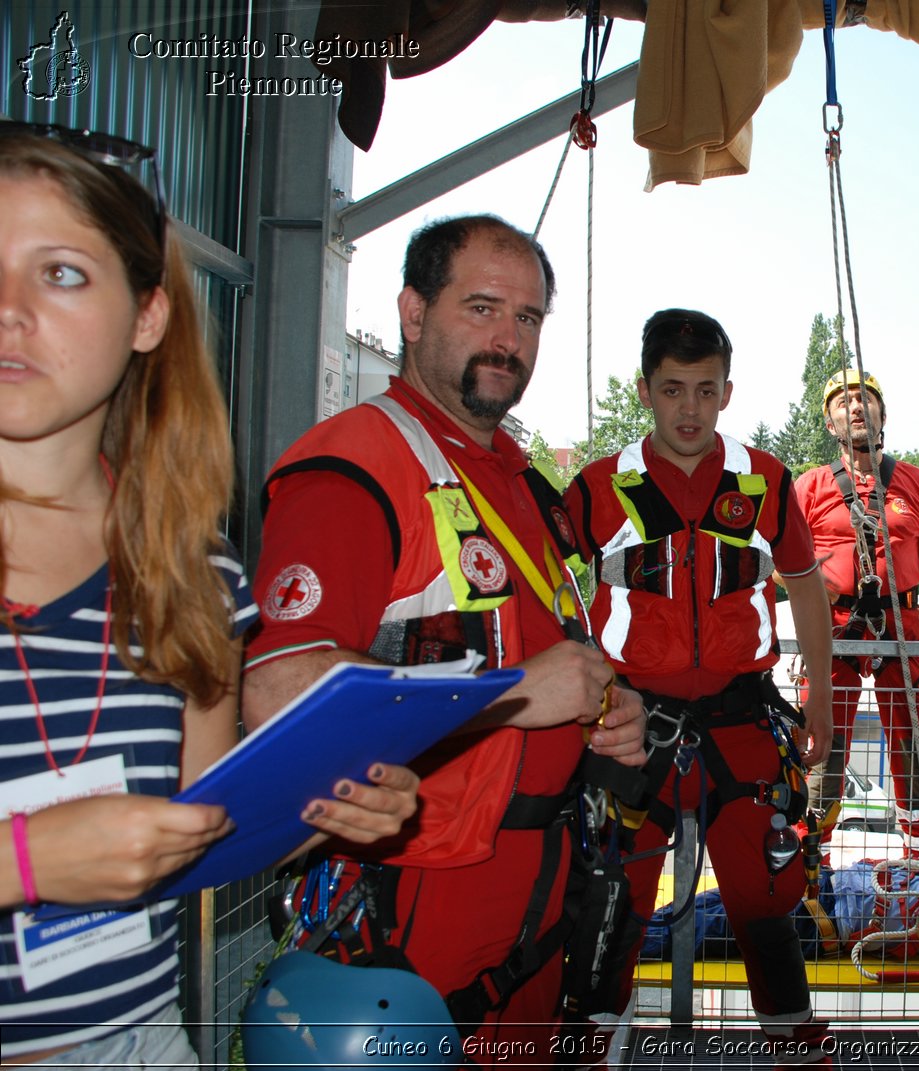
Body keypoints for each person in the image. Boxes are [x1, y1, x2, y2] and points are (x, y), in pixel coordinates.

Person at [0, 125, 418, 1066]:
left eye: (60, 273)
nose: (8, 308)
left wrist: (324, 806)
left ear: (148, 315)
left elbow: (197, 827)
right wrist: (23, 861)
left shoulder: (193, 574)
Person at [242, 214, 647, 1062]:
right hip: (417, 895)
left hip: (541, 893)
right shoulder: (356, 466)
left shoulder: (525, 485)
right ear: (413, 312)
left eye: (528, 319)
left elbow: (551, 648)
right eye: (484, 308)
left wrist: (612, 708)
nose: (509, 340)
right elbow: (281, 694)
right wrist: (518, 696)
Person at [561, 308, 836, 1066]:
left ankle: (797, 1051)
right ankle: (593, 1052)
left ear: (727, 391)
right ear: (645, 389)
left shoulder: (765, 481)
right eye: (674, 389)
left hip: (742, 729)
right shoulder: (599, 486)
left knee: (766, 910)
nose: (689, 408)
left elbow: (808, 589)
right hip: (628, 732)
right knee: (611, 912)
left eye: (705, 390)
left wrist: (819, 696)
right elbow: (538, 586)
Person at [793, 369, 919, 858]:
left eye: (864, 400)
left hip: (901, 629)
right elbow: (777, 564)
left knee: (912, 749)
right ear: (831, 424)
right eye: (843, 402)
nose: (855, 407)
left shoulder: (916, 484)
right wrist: (810, 587)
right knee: (823, 748)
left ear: (882, 414)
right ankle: (811, 860)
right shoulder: (809, 488)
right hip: (832, 633)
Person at [641, 859, 919, 976]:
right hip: (821, 885)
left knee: (695, 931)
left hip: (818, 926)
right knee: (695, 907)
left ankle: (604, 950)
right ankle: (618, 926)